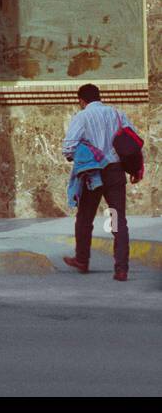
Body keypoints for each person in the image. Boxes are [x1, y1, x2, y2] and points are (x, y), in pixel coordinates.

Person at [61, 83, 141, 282]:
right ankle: (121, 269)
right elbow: (133, 142)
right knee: (117, 219)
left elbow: (68, 147)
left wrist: (77, 155)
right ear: (99, 96)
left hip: (93, 175)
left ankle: (82, 259)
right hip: (115, 173)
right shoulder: (117, 114)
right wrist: (137, 168)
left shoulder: (82, 116)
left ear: (81, 100)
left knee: (85, 218)